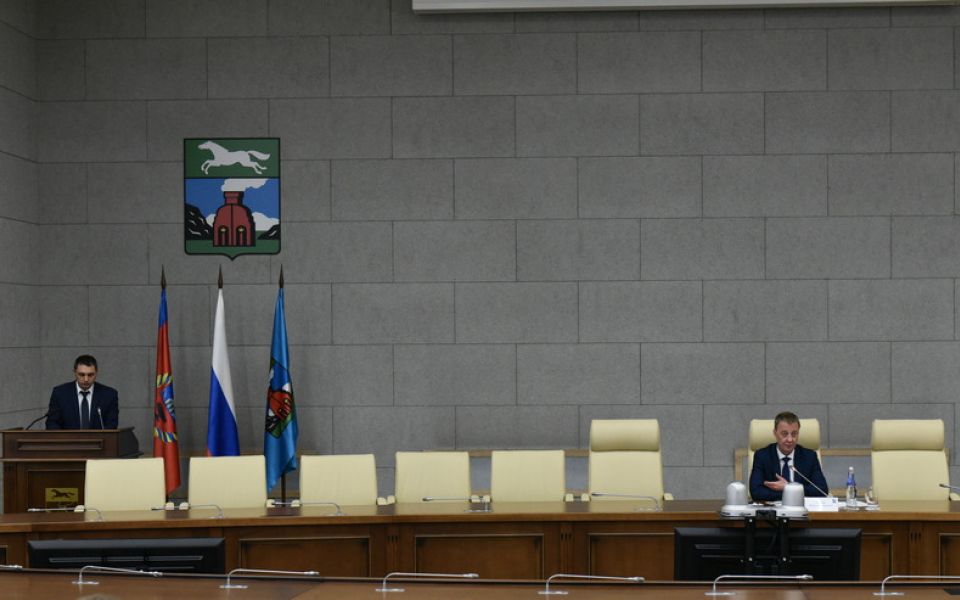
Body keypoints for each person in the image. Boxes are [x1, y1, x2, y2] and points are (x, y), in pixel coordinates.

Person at [749, 411, 827, 501]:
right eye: (784, 434)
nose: (790, 439)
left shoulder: (809, 457)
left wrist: (788, 487)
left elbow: (822, 490)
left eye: (794, 434)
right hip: (774, 509)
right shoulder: (762, 456)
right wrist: (793, 492)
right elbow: (756, 492)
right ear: (775, 433)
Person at [45, 354, 119, 430]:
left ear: (96, 373)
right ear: (74, 372)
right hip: (68, 438)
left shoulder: (109, 395)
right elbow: (52, 423)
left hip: (99, 438)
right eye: (81, 375)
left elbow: (112, 425)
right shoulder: (60, 394)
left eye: (90, 375)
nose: (86, 379)